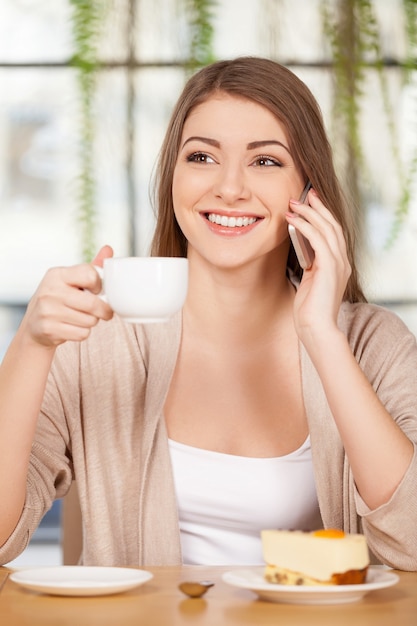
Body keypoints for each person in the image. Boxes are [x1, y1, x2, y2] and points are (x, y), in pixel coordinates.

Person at [0, 56, 416, 569]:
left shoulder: (376, 346)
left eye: (266, 161)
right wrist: (30, 346)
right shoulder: (93, 344)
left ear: (309, 191)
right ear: (172, 177)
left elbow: (412, 542)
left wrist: (323, 336)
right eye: (201, 157)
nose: (229, 187)